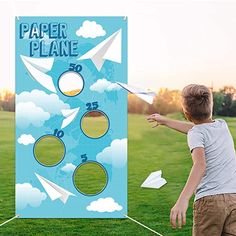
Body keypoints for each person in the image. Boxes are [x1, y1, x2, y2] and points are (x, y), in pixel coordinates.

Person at [147, 84, 236, 235]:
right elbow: (196, 129)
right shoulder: (222, 125)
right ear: (211, 105)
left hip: (209, 202)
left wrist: (183, 199)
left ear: (186, 113)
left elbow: (200, 165)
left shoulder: (196, 133)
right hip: (233, 198)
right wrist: (165, 121)